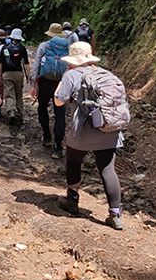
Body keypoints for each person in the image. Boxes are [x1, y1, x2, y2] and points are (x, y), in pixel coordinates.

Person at [53, 42, 124, 230]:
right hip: (108, 127)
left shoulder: (71, 74)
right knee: (108, 169)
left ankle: (72, 200)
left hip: (83, 130)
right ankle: (115, 214)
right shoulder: (103, 73)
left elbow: (59, 101)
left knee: (74, 162)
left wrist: (63, 79)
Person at [30, 23, 69, 159]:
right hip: (61, 83)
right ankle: (58, 147)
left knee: (42, 108)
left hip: (45, 82)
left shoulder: (44, 46)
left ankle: (46, 136)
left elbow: (36, 65)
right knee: (60, 114)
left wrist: (33, 83)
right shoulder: (67, 47)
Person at [0, 28, 29, 125]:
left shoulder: (5, 48)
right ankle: (19, 113)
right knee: (18, 94)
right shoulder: (22, 48)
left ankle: (11, 111)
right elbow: (26, 63)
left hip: (7, 73)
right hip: (18, 73)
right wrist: (28, 76)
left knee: (9, 93)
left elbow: (0, 63)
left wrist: (0, 74)